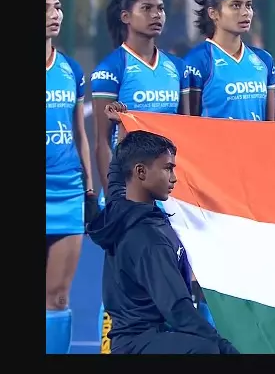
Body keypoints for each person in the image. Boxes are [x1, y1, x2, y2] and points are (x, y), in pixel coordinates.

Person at [86, 103, 240, 354]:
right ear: (141, 172)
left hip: (130, 342)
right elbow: (178, 310)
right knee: (208, 350)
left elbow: (118, 174)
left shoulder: (120, 209)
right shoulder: (148, 239)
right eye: (167, 168)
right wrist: (225, 348)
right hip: (143, 345)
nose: (174, 177)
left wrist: (122, 127)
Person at [91, 0, 191, 349]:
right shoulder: (111, 68)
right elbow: (102, 141)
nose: (156, 15)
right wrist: (116, 200)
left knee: (174, 277)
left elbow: (187, 134)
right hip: (129, 197)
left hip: (169, 192)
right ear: (125, 16)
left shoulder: (177, 68)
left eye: (160, 8)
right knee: (124, 285)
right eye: (146, 8)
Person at [46, 0, 98, 354]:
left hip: (67, 193)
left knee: (59, 296)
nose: (55, 14)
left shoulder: (70, 69)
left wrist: (89, 190)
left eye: (58, 7)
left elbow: (80, 134)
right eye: (47, 7)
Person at [184, 0, 275, 121]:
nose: (245, 12)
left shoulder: (264, 60)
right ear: (213, 13)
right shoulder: (197, 60)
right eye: (236, 5)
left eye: (248, 5)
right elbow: (189, 122)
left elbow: (272, 124)